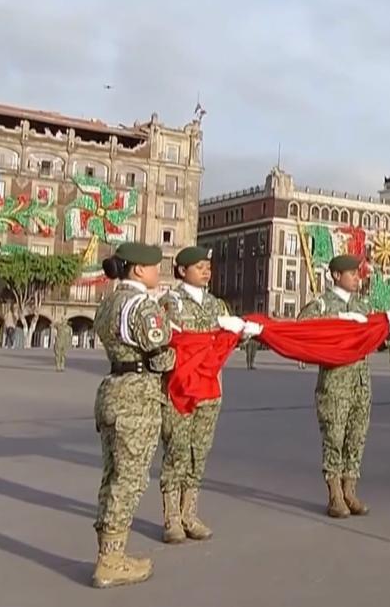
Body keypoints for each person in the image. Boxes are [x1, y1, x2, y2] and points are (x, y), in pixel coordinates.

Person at [91, 242, 176, 588]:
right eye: (156, 266)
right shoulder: (143, 305)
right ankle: (110, 562)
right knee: (131, 479)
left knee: (113, 475)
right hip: (137, 396)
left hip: (112, 390)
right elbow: (161, 353)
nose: (159, 271)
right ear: (139, 270)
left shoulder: (109, 301)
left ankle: (110, 550)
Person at [158, 246, 254, 542]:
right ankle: (172, 518)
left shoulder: (217, 305)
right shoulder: (169, 302)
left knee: (199, 452)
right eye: (199, 266)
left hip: (210, 390)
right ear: (182, 270)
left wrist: (240, 333)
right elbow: (162, 341)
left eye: (208, 266)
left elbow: (224, 344)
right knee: (176, 451)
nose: (206, 271)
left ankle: (190, 513)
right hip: (180, 391)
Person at [299, 255, 376, 518]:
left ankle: (350, 490)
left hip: (360, 382)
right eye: (352, 273)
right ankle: (334, 494)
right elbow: (302, 327)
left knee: (356, 438)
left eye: (358, 273)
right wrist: (337, 318)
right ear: (335, 275)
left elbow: (377, 339)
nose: (357, 277)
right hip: (335, 383)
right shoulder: (322, 304)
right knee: (334, 438)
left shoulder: (362, 305)